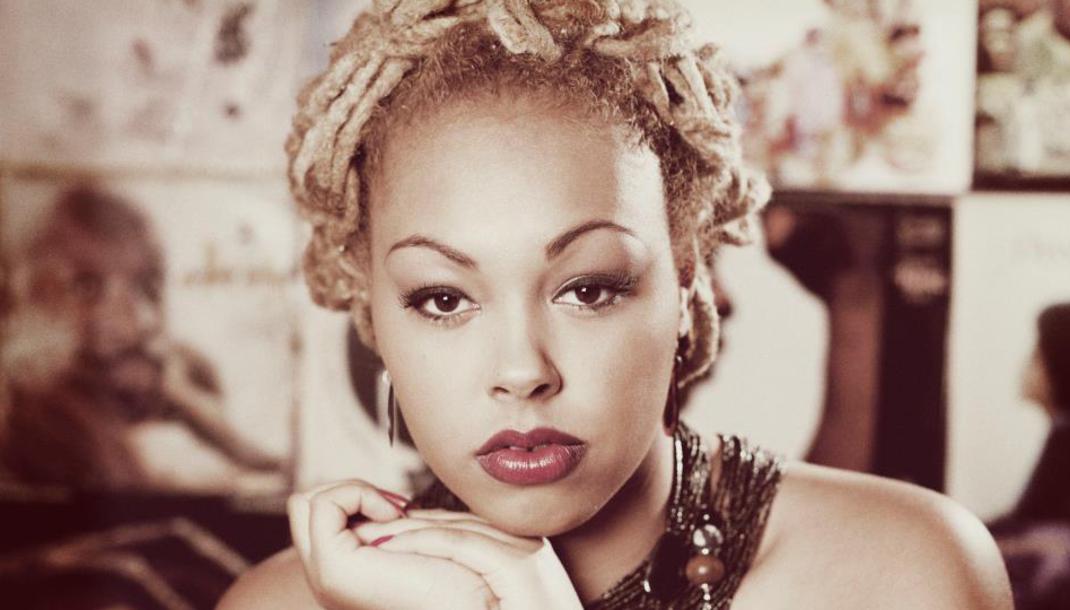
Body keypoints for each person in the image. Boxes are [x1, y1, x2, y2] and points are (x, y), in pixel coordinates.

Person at [219, 1, 1012, 608]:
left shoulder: (901, 574)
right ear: (373, 312)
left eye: (588, 288)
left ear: (686, 277)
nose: (522, 371)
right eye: (443, 298)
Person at [0, 184, 281, 489]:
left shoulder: (182, 375)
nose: (141, 320)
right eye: (87, 288)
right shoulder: (33, 408)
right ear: (27, 294)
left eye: (147, 285)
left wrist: (187, 404)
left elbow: (267, 475)